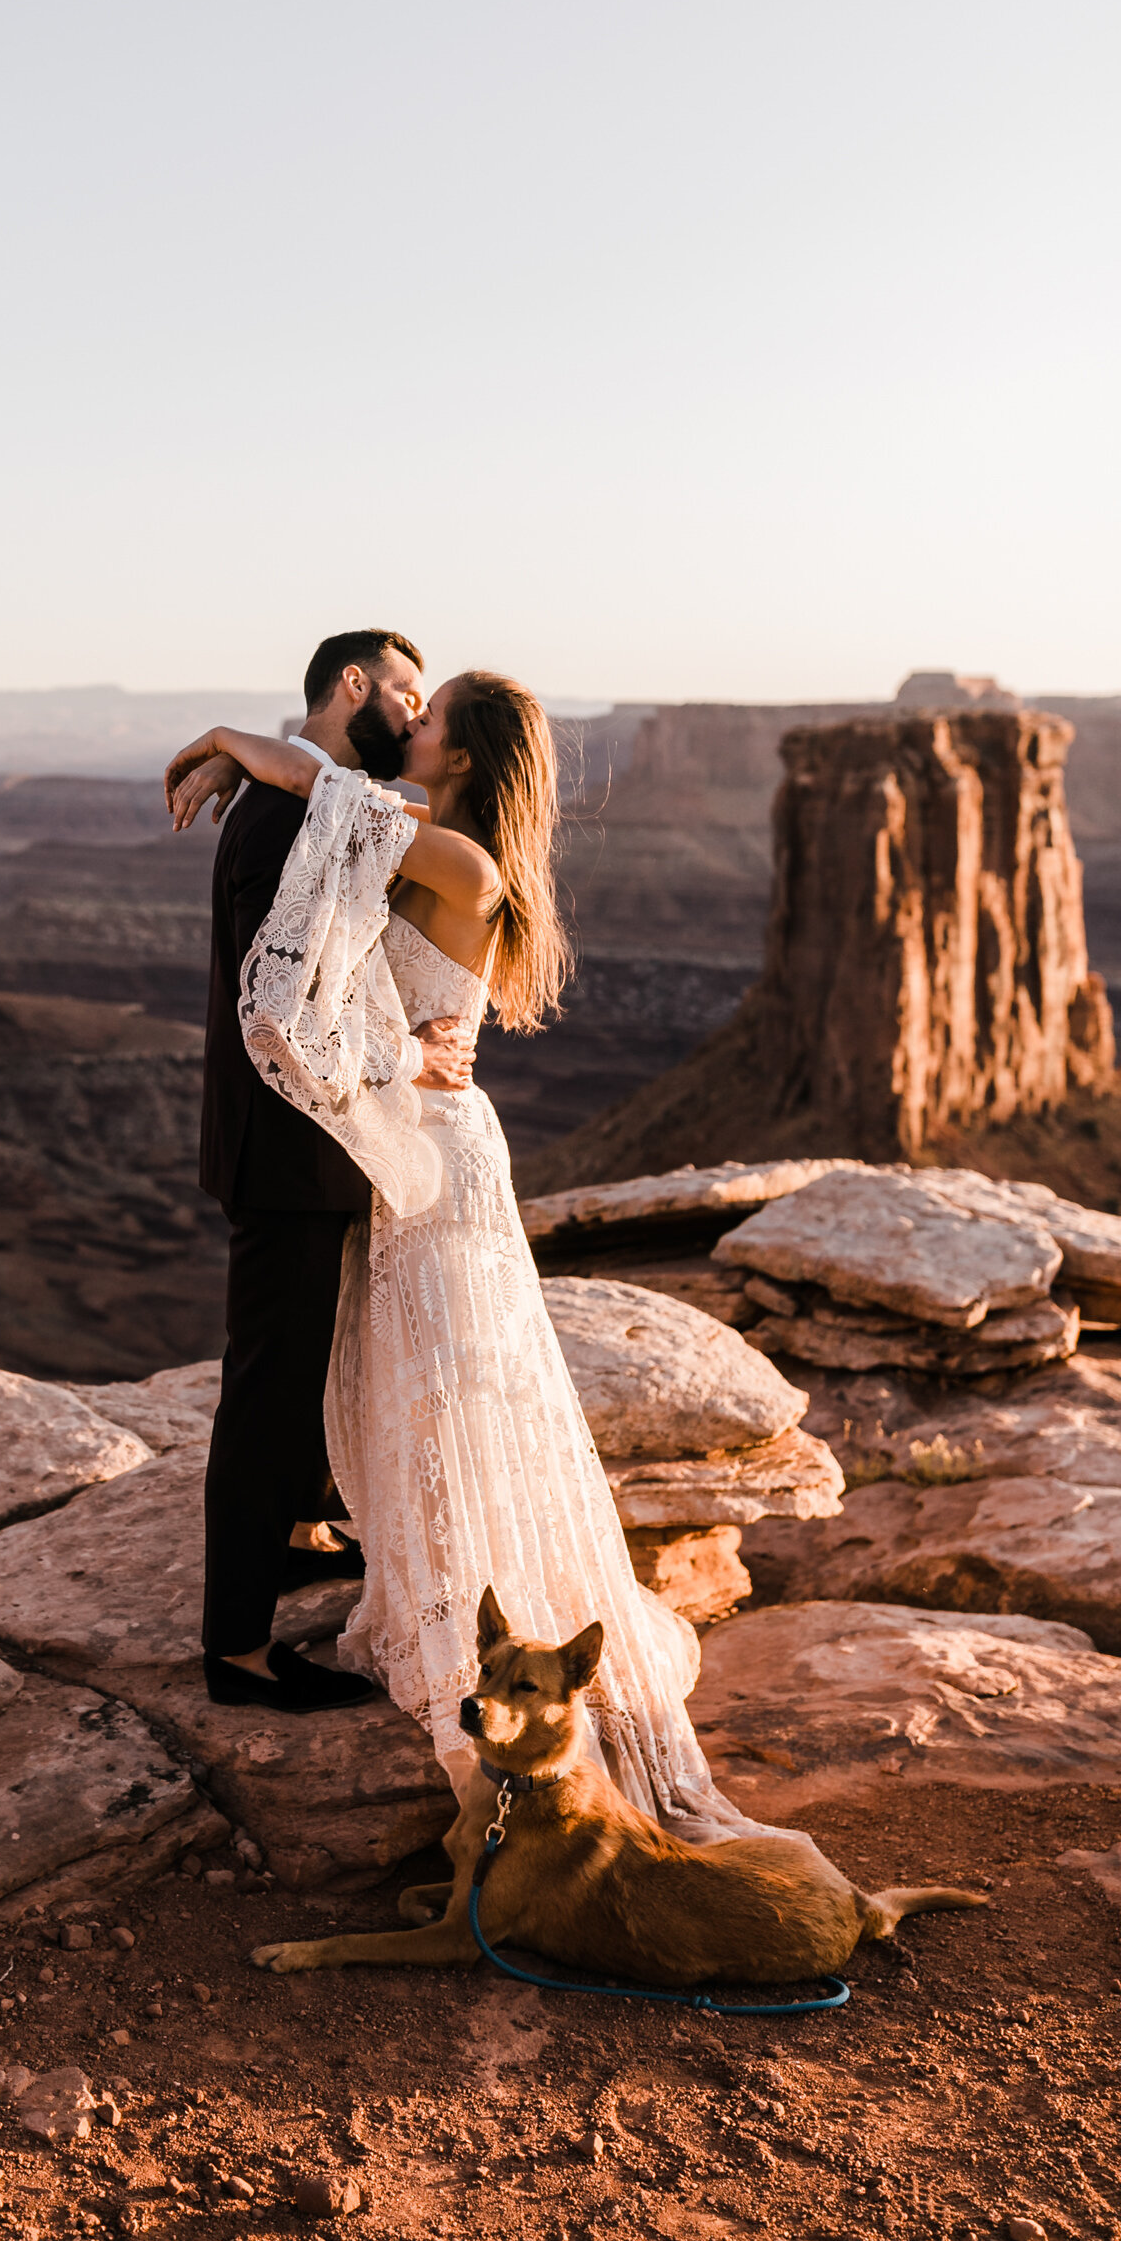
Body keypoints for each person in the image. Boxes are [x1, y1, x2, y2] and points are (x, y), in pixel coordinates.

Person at [167, 667, 753, 1837]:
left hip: (429, 1154)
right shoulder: (436, 841)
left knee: (444, 1388)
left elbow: (327, 793)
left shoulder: (459, 862)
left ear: (466, 758)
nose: (409, 725)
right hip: (402, 1134)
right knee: (405, 1378)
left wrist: (234, 738)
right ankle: (412, 1576)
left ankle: (454, 1611)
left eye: (427, 719)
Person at [187, 628, 477, 1713]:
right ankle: (236, 1650)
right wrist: (412, 1056)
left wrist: (238, 743)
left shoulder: (318, 800)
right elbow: (282, 1017)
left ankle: (303, 1525)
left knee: (310, 1360)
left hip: (319, 1145)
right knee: (264, 1388)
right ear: (350, 686)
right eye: (402, 691)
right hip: (284, 1152)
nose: (409, 714)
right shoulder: (282, 816)